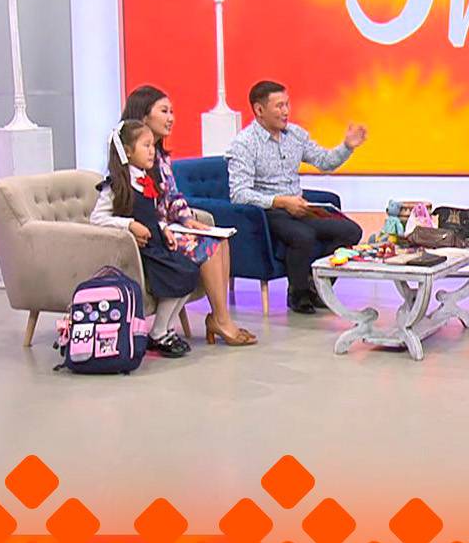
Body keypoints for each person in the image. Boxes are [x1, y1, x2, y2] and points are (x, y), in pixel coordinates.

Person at [102, 85, 256, 347]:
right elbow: (127, 208)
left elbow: (172, 196)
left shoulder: (159, 157)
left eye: (172, 111)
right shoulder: (129, 168)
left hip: (168, 227)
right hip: (153, 233)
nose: (171, 118)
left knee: (220, 240)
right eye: (164, 111)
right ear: (144, 116)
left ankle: (220, 317)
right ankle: (220, 321)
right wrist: (150, 226)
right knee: (208, 248)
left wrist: (188, 219)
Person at [226, 80, 366, 314]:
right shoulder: (244, 144)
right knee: (303, 236)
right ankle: (297, 294)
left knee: (350, 231)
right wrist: (281, 202)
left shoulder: (296, 135)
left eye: (287, 104)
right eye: (279, 106)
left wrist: (347, 146)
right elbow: (239, 194)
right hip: (267, 212)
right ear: (259, 110)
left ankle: (316, 286)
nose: (286, 111)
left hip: (299, 207)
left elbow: (325, 162)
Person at [89, 121, 204, 356]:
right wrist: (129, 225)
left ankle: (166, 328)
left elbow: (153, 214)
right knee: (178, 275)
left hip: (157, 243)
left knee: (191, 270)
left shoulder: (147, 179)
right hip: (141, 251)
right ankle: (158, 332)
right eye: (146, 145)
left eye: (153, 146)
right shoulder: (116, 185)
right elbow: (97, 218)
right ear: (128, 151)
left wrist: (163, 228)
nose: (152, 151)